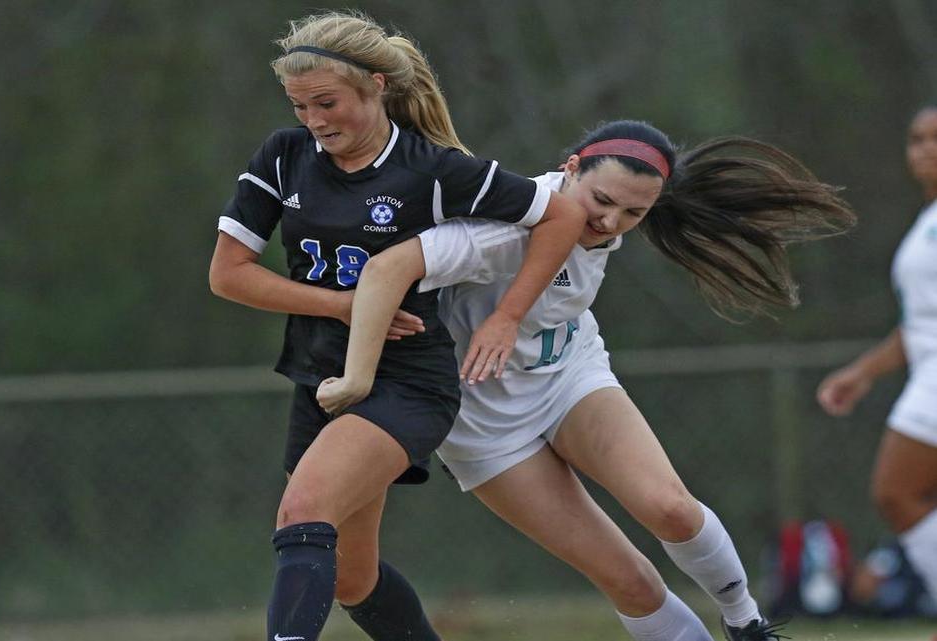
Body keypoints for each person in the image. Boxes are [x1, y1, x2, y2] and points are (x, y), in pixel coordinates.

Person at [318, 119, 856, 641]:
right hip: (481, 423)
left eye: (633, 212)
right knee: (632, 583)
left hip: (568, 377)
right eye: (601, 200)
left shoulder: (606, 222)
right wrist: (357, 370)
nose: (611, 220)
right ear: (570, 168)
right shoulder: (506, 223)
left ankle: (747, 623)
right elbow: (387, 268)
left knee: (670, 507)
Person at [207, 10, 586, 641]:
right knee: (352, 578)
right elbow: (229, 275)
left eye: (327, 103)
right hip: (319, 374)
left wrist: (507, 316)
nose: (315, 121)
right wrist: (348, 307)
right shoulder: (284, 156)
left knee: (301, 513)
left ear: (377, 85)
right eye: (300, 106)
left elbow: (561, 217)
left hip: (406, 379)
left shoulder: (431, 169)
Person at [816, 104, 937, 613]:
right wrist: (864, 371)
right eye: (916, 139)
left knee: (895, 490)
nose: (926, 148)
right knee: (900, 494)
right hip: (926, 368)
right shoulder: (926, 220)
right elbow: (919, 325)